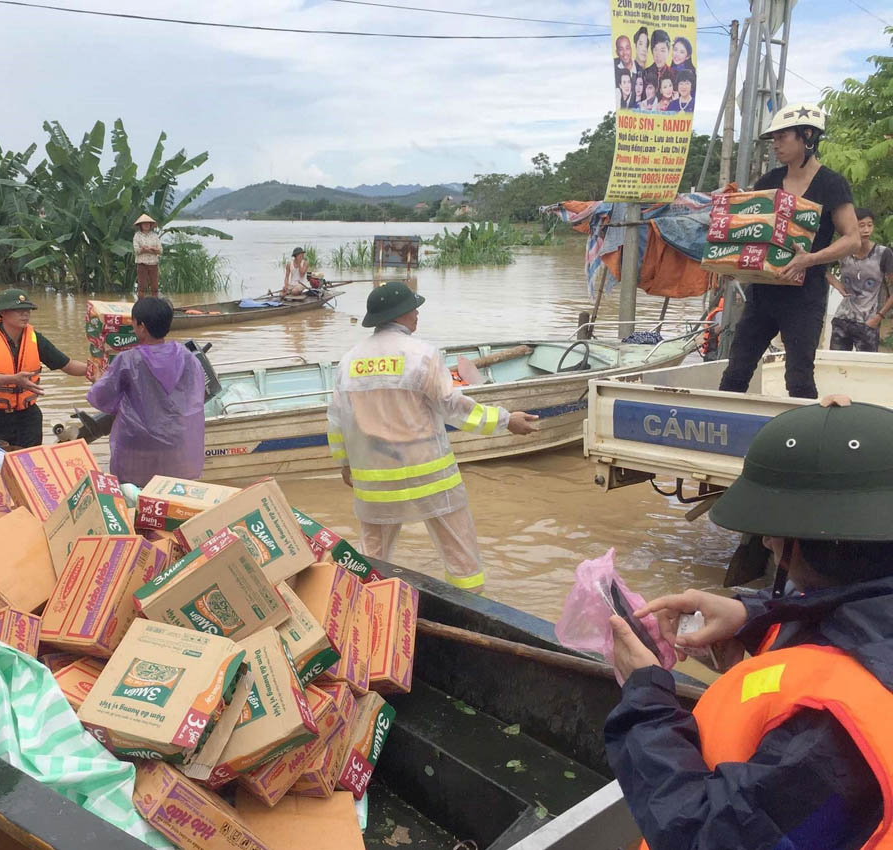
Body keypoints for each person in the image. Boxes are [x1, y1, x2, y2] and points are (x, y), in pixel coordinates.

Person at [604, 397, 893, 850]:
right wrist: (754, 617)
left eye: (772, 525)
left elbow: (708, 838)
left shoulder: (836, 740)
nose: (764, 538)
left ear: (818, 542)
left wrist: (643, 697)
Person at [326, 282, 539, 592]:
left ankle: (364, 607)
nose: (417, 314)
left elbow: (336, 420)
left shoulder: (349, 362)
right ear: (401, 314)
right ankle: (471, 607)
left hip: (374, 482)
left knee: (370, 558)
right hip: (429, 476)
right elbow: (454, 407)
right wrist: (505, 420)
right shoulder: (422, 355)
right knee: (461, 555)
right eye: (415, 308)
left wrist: (344, 464)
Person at [718, 102, 860, 398]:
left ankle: (802, 440)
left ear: (807, 135)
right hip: (762, 294)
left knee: (798, 378)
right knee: (735, 373)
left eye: (783, 137)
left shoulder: (831, 184)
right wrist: (732, 265)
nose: (775, 145)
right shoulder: (769, 182)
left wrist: (810, 259)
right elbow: (752, 232)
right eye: (773, 139)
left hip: (804, 297)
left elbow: (852, 239)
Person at [87, 297, 206, 486]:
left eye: (133, 323)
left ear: (141, 327)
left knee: (134, 499)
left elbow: (101, 398)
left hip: (136, 446)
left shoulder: (127, 360)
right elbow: (198, 396)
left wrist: (97, 380)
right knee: (171, 495)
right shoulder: (187, 357)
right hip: (176, 444)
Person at [0, 288, 90, 448]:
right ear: (3, 312)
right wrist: (13, 380)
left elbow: (68, 365)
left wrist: (96, 370)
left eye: (27, 310)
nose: (25, 314)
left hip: (27, 418)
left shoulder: (33, 338)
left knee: (29, 466)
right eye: (18, 310)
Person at [828, 209, 893, 352]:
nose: (866, 230)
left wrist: (878, 317)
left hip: (867, 323)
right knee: (837, 368)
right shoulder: (842, 250)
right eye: (861, 225)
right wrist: (837, 284)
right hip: (842, 320)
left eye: (870, 225)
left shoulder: (883, 254)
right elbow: (818, 264)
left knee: (866, 369)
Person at [133, 213, 162, 300]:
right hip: (142, 264)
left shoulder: (154, 236)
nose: (146, 225)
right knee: (141, 287)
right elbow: (137, 250)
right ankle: (140, 304)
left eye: (148, 223)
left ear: (150, 225)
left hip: (153, 264)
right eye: (144, 223)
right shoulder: (137, 236)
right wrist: (147, 250)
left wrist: (151, 249)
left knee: (155, 287)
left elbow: (160, 250)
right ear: (141, 225)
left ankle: (155, 304)